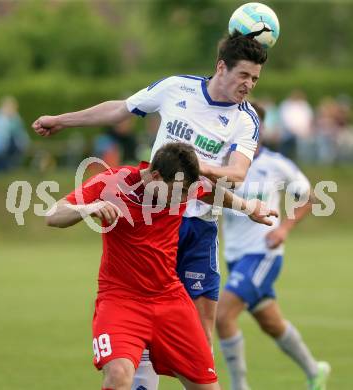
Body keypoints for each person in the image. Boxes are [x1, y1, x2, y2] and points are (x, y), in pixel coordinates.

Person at [33, 31, 267, 388]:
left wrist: (195, 173)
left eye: (255, 78)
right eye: (244, 75)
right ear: (222, 67)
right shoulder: (177, 89)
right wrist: (62, 120)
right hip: (154, 211)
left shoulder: (245, 119)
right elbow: (120, 109)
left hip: (197, 221)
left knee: (200, 343)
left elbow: (236, 174)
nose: (249, 84)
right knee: (133, 346)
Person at [45, 142, 276, 390]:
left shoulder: (183, 187)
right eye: (179, 193)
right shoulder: (112, 183)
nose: (185, 199)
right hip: (121, 301)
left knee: (207, 386)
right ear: (155, 177)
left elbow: (208, 191)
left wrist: (248, 207)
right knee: (119, 374)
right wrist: (89, 207)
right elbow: (53, 214)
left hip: (170, 299)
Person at [216, 105, 330, 390]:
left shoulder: (276, 164)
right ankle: (315, 371)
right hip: (234, 257)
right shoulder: (224, 164)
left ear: (260, 129)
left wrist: (283, 229)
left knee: (223, 316)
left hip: (262, 254)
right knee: (271, 323)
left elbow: (309, 197)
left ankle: (239, 386)